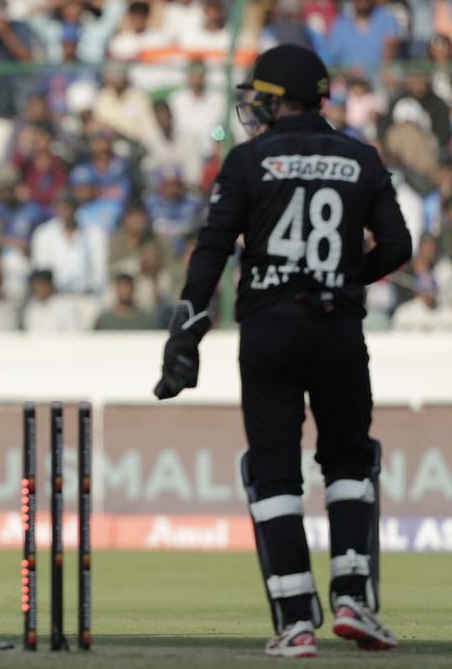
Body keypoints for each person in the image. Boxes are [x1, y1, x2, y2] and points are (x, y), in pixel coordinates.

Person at [153, 44, 411, 657]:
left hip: (268, 328)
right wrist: (346, 278)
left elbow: (212, 248)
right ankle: (354, 599)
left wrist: (186, 328)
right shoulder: (362, 157)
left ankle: (296, 623)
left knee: (274, 472)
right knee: (349, 460)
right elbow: (398, 247)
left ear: (274, 98)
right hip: (338, 330)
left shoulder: (248, 159)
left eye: (258, 97)